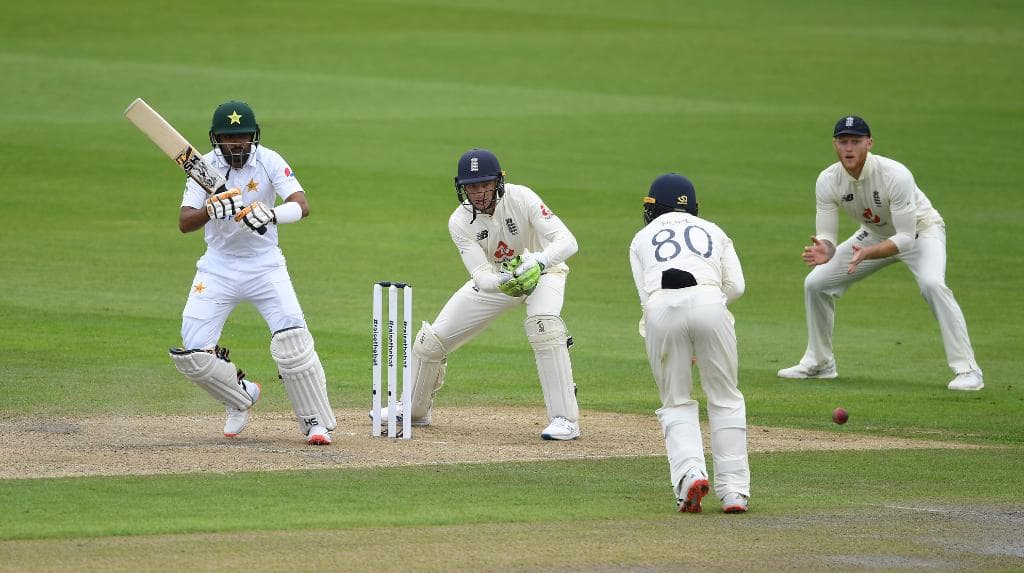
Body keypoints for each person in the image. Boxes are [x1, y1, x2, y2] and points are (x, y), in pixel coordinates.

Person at [376, 148, 582, 440]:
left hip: (545, 273)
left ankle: (565, 420)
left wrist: (537, 262)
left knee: (543, 326)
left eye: (485, 184)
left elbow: (568, 242)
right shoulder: (459, 222)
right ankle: (414, 410)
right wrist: (505, 280)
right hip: (501, 279)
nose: (480, 192)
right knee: (432, 340)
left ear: (498, 181)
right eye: (472, 187)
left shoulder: (522, 197)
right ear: (462, 189)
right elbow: (482, 277)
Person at [168, 100, 336, 445]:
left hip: (265, 265)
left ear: (253, 137)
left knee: (293, 341)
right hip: (218, 266)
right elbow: (185, 222)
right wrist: (211, 211)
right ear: (217, 139)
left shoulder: (269, 160)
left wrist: (271, 215)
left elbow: (302, 205)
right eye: (230, 138)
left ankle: (315, 421)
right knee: (194, 353)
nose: (237, 144)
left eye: (243, 137)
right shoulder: (203, 167)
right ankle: (240, 397)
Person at [778, 116, 983, 391]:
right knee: (816, 283)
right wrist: (825, 250)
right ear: (834, 144)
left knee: (933, 284)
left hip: (921, 232)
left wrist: (868, 253)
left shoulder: (895, 175)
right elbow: (826, 234)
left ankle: (968, 370)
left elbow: (906, 239)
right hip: (875, 233)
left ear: (869, 143)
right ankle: (820, 363)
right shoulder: (828, 180)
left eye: (856, 141)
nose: (848, 148)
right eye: (843, 141)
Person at [629, 173, 750, 514]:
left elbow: (646, 297)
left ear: (654, 207)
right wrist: (707, 313)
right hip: (711, 302)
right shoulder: (714, 230)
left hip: (662, 308)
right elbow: (737, 286)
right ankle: (735, 492)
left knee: (676, 400)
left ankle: (690, 476)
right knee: (725, 398)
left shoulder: (641, 238)